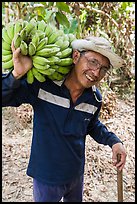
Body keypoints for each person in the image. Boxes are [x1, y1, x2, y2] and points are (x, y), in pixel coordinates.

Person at [2, 36, 127, 202]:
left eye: (103, 69)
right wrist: (16, 74)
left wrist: (114, 141)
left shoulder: (94, 98)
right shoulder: (43, 85)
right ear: (76, 57)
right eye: (93, 62)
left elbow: (92, 125)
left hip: (75, 174)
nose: (96, 73)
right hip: (46, 176)